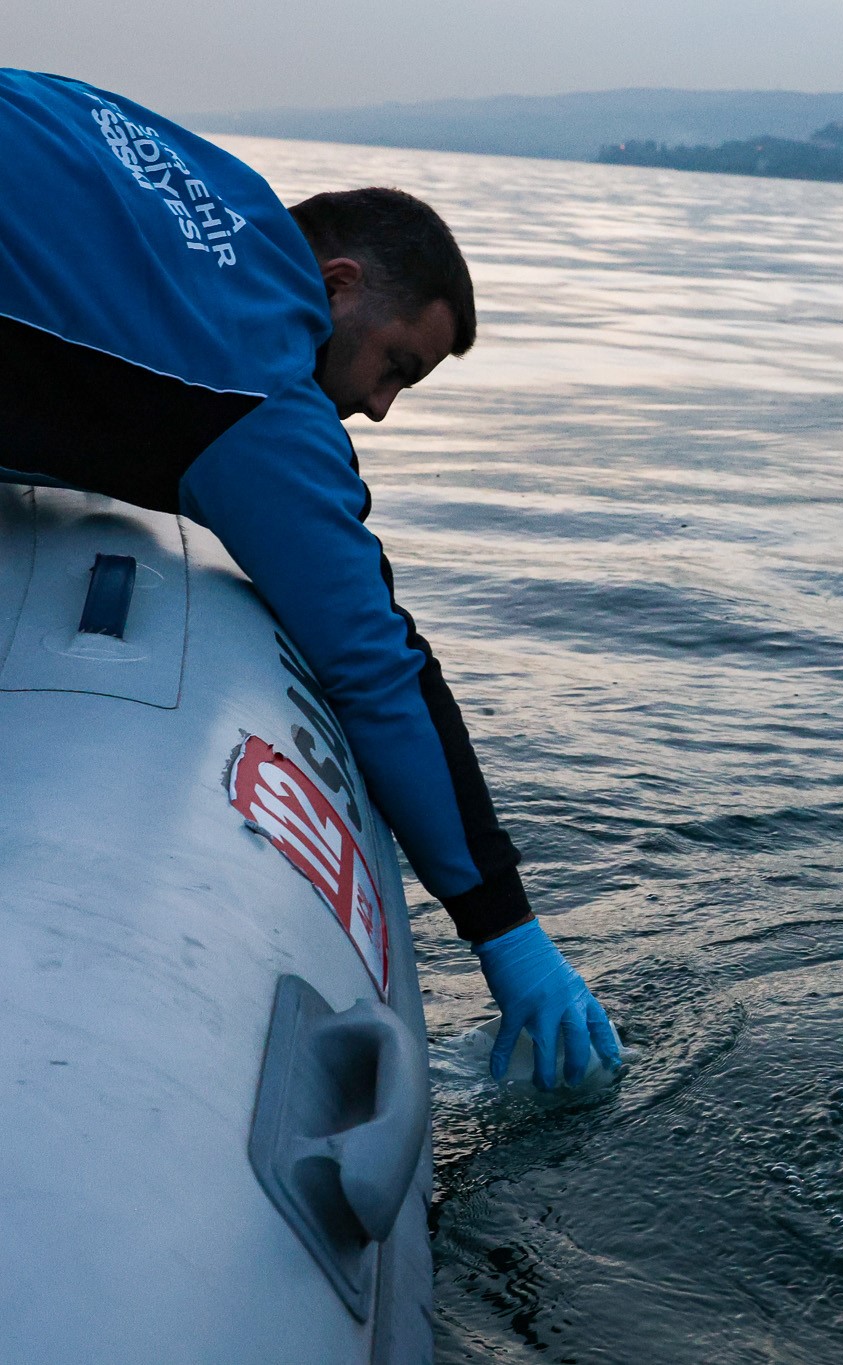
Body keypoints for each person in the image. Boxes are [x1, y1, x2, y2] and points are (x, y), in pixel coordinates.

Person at [0, 68, 617, 1089]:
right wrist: (507, 936)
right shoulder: (255, 390)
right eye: (394, 366)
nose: (377, 409)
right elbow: (378, 671)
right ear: (336, 284)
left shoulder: (224, 191)